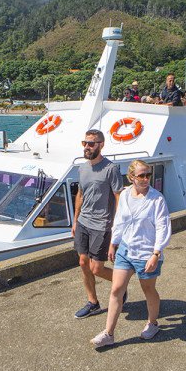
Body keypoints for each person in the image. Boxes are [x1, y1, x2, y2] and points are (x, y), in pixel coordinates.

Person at [90, 160, 171, 348]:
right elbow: (119, 220)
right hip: (126, 250)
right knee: (116, 289)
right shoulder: (125, 194)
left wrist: (156, 253)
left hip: (146, 252)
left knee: (148, 290)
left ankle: (153, 323)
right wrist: (114, 242)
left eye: (148, 175)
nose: (145, 179)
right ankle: (108, 333)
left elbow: (163, 227)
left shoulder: (156, 199)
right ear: (131, 177)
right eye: (141, 175)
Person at [73, 129, 125, 318]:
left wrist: (117, 226)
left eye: (91, 143)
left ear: (101, 145)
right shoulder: (82, 168)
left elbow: (118, 196)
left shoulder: (111, 169)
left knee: (97, 268)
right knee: (83, 262)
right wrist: (75, 220)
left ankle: (121, 283)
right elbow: (80, 193)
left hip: (102, 224)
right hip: (83, 222)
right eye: (85, 143)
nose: (87, 147)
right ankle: (92, 302)